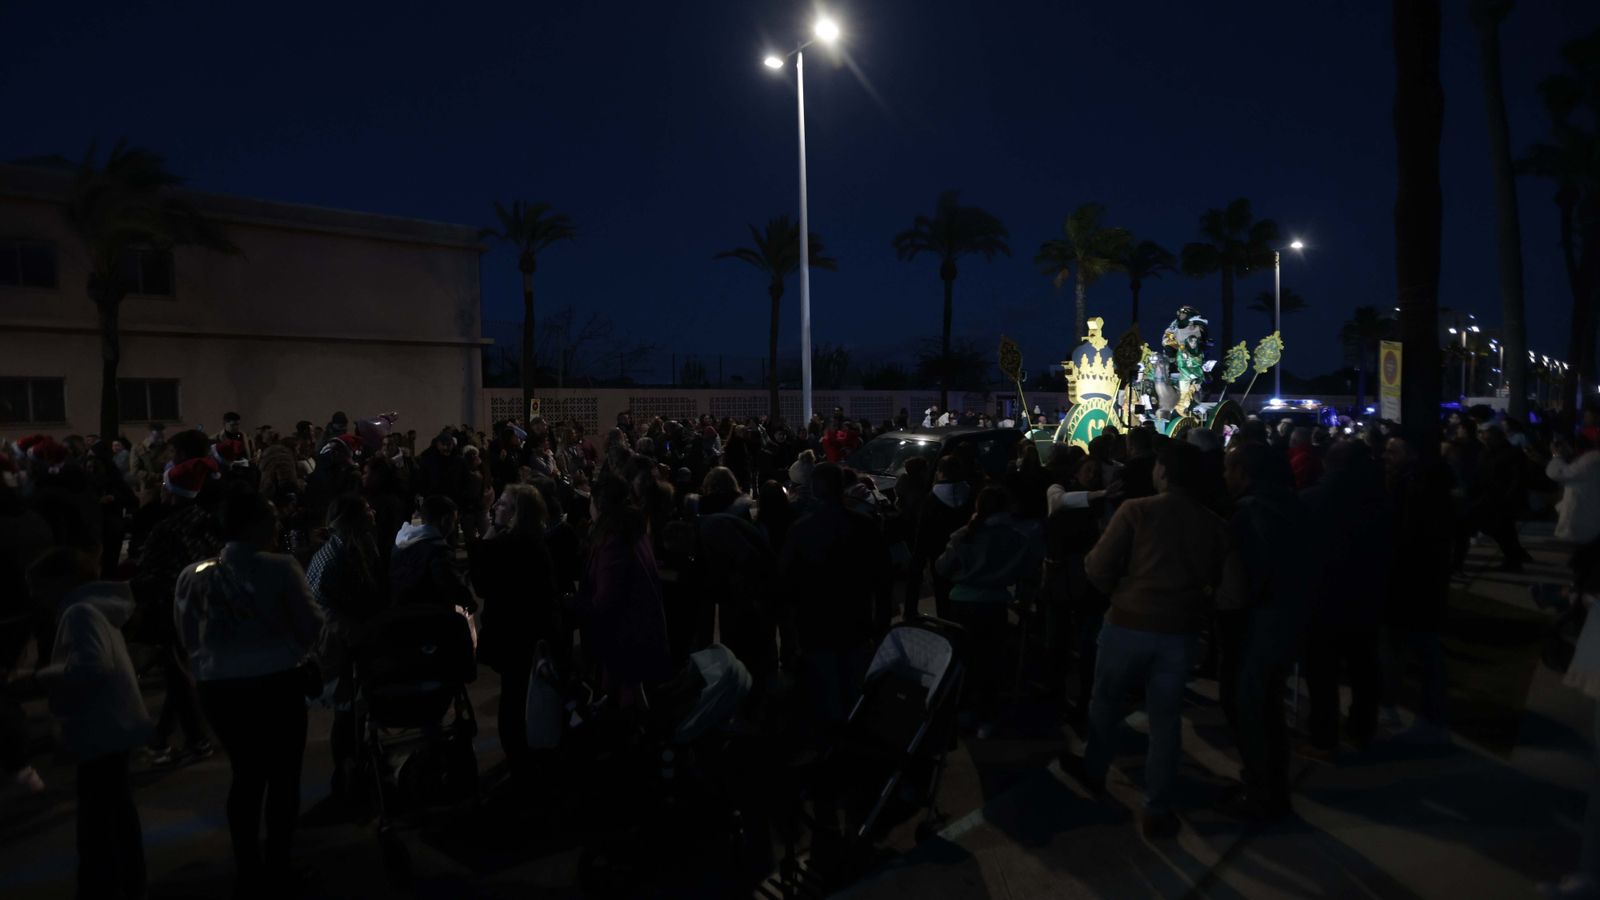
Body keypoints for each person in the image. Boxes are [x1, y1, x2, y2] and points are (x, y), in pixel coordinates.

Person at [1059, 442, 1227, 838]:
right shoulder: (1214, 523)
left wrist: (1119, 591)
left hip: (1127, 625)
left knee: (1106, 702)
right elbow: (1227, 587)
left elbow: (1097, 566)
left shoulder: (1138, 511)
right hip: (1180, 632)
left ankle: (1095, 770)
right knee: (1165, 721)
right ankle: (1156, 806)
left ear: (1164, 473)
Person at [175, 491, 324, 896]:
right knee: (283, 776)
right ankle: (278, 863)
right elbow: (311, 625)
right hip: (275, 681)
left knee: (246, 775)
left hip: (217, 687)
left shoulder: (194, 573)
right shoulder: (278, 567)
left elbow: (186, 633)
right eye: (272, 520)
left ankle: (247, 866)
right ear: (257, 525)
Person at [29, 547, 151, 900]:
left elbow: (92, 666)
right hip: (113, 724)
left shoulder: (79, 613)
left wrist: (39, 679)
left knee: (99, 821)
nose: (35, 596)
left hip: (100, 727)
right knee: (116, 814)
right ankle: (127, 882)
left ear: (60, 583)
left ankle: (106, 885)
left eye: (38, 587)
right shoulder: (94, 609)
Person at [1216, 441, 1311, 820]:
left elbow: (1249, 578)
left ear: (1243, 472)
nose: (1224, 476)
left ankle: (1263, 793)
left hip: (1261, 624)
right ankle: (1267, 786)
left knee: (1253, 709)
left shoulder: (1251, 513)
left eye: (1229, 469)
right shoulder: (1292, 503)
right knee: (1268, 708)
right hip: (1289, 619)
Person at [779, 462, 892, 730]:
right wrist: (882, 620)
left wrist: (789, 632)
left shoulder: (801, 529)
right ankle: (853, 746)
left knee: (824, 694)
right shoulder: (865, 525)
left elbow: (785, 582)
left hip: (815, 623)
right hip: (856, 619)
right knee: (855, 691)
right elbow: (882, 577)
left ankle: (831, 747)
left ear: (815, 490)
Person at [132, 447, 221, 766]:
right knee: (179, 674)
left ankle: (196, 740)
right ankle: (163, 736)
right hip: (204, 607)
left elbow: (147, 574)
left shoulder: (165, 530)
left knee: (180, 674)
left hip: (174, 610)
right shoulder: (207, 521)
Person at [936, 485, 1043, 738]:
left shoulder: (964, 535)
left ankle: (960, 712)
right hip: (994, 605)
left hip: (961, 603)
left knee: (962, 659)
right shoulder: (1016, 537)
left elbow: (942, 567)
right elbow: (1029, 574)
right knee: (990, 662)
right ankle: (985, 717)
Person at [469, 484, 560, 775]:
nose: (497, 507)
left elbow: (481, 581)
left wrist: (489, 534)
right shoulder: (532, 540)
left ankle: (519, 762)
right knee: (520, 695)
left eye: (504, 505)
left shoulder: (511, 544)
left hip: (515, 634)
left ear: (518, 512)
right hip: (529, 632)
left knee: (513, 699)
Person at [306, 493, 388, 802]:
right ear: (353, 519)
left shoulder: (350, 547)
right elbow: (351, 604)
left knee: (352, 712)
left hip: (346, 640)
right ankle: (347, 777)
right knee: (347, 712)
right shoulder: (338, 559)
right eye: (367, 509)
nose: (373, 511)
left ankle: (355, 771)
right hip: (341, 646)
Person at [575, 476, 673, 709]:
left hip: (625, 637)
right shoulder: (633, 529)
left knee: (627, 702)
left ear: (599, 505)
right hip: (638, 630)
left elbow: (607, 598)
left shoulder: (614, 540)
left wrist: (577, 605)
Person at [1381, 436, 1455, 741]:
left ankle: (1417, 713)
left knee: (1406, 648)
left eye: (1392, 451)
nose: (1386, 456)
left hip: (1410, 581)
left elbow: (1403, 537)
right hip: (1425, 581)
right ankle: (1427, 712)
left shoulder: (1411, 489)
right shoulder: (1427, 484)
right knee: (1422, 649)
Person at [910, 457, 974, 619]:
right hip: (968, 553)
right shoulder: (971, 494)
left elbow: (923, 533)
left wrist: (919, 559)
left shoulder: (932, 498)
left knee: (943, 594)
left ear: (940, 473)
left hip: (938, 554)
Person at [391, 495, 475, 611]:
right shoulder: (438, 550)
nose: (453, 527)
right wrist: (468, 601)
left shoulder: (402, 539)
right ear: (444, 520)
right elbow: (450, 584)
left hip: (400, 609)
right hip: (429, 615)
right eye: (453, 522)